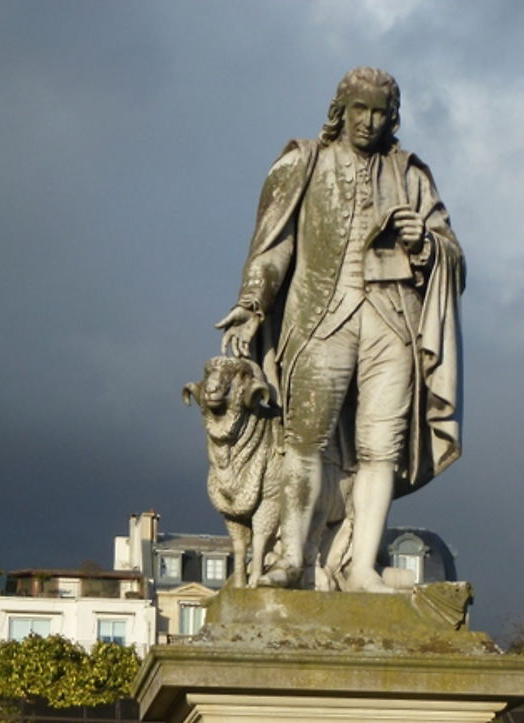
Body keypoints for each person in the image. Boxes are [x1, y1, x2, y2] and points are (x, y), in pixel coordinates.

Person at [217, 67, 464, 591]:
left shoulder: (411, 175)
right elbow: (273, 247)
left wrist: (424, 242)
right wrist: (251, 303)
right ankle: (293, 559)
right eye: (360, 110)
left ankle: (360, 566)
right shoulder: (302, 163)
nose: (369, 122)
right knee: (304, 441)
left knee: (382, 450)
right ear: (341, 109)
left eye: (379, 113)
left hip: (391, 322)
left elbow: (453, 256)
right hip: (319, 319)